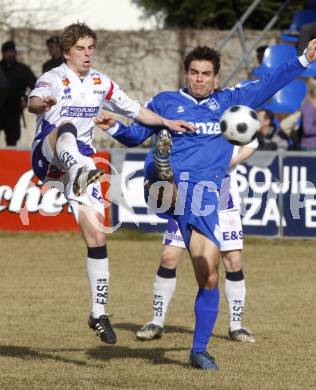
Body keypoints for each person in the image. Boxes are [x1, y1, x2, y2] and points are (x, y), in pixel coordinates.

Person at [95, 38, 316, 370]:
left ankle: (199, 351)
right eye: (193, 72)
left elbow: (270, 82)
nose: (199, 78)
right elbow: (134, 135)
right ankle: (163, 167)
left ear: (216, 77)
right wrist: (114, 125)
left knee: (210, 276)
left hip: (204, 203)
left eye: (206, 73)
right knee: (169, 189)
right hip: (165, 189)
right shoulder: (165, 103)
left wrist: (303, 60)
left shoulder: (230, 103)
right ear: (186, 74)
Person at [28, 22, 193, 346]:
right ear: (66, 52)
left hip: (83, 162)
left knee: (97, 234)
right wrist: (41, 105)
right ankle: (77, 168)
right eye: (80, 48)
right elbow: (34, 99)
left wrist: (167, 122)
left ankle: (98, 313)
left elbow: (135, 110)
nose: (87, 53)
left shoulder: (101, 82)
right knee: (65, 127)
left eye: (90, 47)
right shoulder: (53, 78)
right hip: (48, 157)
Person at [135, 142, 258, 344]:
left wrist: (231, 161)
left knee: (233, 262)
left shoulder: (228, 116)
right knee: (168, 257)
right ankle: (156, 322)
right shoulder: (188, 118)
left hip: (223, 197)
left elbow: (253, 142)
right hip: (187, 196)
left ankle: (236, 326)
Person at [0, 41, 36, 146]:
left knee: (12, 143)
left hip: (13, 110)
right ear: (3, 53)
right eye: (7, 52)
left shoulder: (23, 69)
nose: (9, 54)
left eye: (11, 51)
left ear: (15, 52)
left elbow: (36, 86)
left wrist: (26, 99)